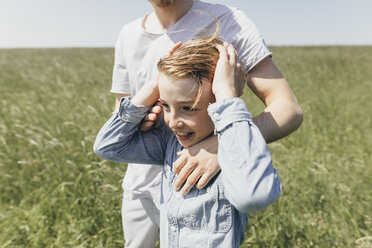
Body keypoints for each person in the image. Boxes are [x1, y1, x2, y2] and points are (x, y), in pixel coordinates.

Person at [110, 0, 303, 247]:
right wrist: (139, 120)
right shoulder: (129, 34)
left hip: (203, 195)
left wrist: (221, 145)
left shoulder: (229, 21)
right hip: (140, 187)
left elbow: (287, 108)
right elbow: (120, 108)